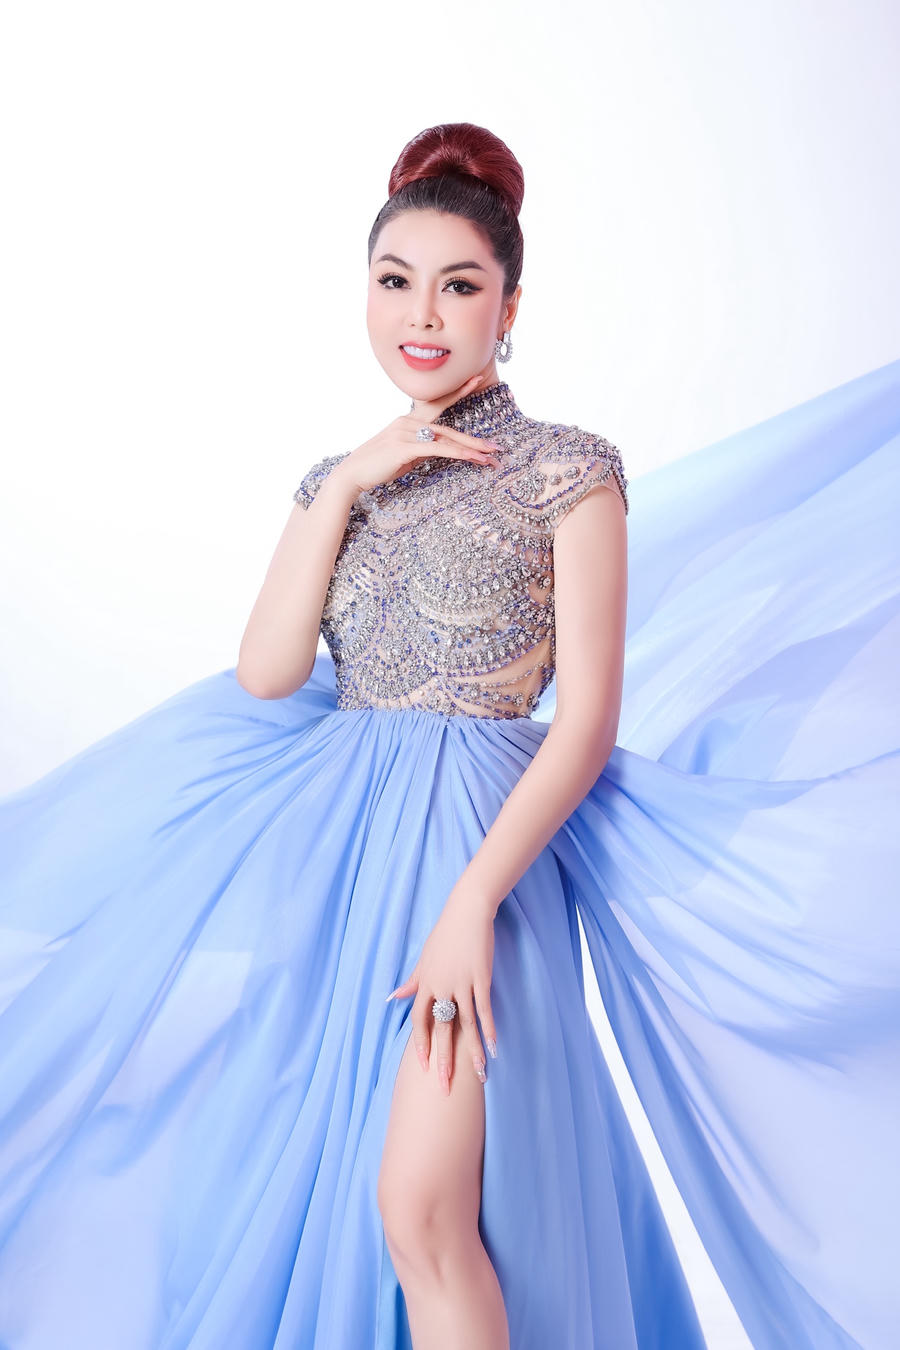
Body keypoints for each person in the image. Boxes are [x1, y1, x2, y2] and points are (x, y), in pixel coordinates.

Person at [0, 120, 898, 1350]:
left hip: (482, 859)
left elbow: (587, 723)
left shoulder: (569, 472)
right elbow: (269, 672)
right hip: (341, 867)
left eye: (459, 286)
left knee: (423, 1207)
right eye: (395, 281)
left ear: (508, 307)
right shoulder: (341, 477)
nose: (421, 314)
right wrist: (345, 482)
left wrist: (474, 901)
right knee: (343, 1200)